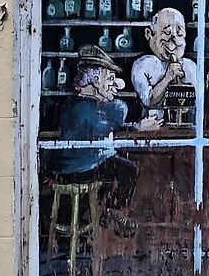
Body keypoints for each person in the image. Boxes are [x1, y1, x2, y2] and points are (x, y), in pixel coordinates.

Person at [45, 47, 148, 203]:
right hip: (82, 168)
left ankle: (100, 208)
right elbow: (116, 117)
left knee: (113, 164)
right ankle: (113, 211)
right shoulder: (105, 108)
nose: (116, 85)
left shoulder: (69, 104)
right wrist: (137, 126)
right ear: (96, 80)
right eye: (110, 78)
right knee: (128, 170)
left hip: (61, 169)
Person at [130, 7, 202, 129]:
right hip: (153, 127)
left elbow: (197, 102)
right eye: (167, 33)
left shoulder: (191, 66)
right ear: (149, 34)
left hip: (187, 127)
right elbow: (149, 101)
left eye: (179, 34)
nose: (173, 41)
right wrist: (168, 77)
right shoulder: (142, 65)